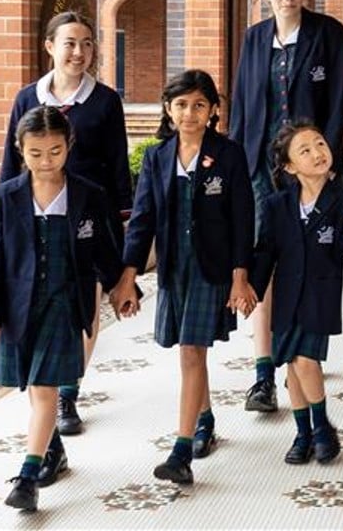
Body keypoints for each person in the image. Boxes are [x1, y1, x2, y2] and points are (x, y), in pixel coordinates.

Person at [0, 106, 132, 512]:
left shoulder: (88, 195)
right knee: (31, 388)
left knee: (45, 389)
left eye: (55, 151)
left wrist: (121, 288)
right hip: (18, 305)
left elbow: (104, 251)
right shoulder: (3, 198)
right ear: (20, 150)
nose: (46, 162)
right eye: (35, 153)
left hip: (66, 302)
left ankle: (28, 477)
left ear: (69, 147)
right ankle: (54, 448)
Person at [0, 10, 132, 439]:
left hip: (89, 217)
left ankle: (68, 391)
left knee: (84, 305)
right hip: (38, 214)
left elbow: (117, 163)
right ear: (50, 46)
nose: (79, 52)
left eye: (88, 43)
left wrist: (123, 220)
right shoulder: (27, 99)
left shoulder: (106, 100)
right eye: (71, 43)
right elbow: (11, 159)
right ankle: (49, 392)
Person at [120, 70, 258, 486]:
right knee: (188, 350)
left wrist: (240, 277)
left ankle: (181, 451)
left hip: (212, 269)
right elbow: (142, 221)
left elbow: (242, 221)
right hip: (173, 270)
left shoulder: (229, 155)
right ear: (168, 108)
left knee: (191, 352)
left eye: (200, 104)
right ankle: (205, 419)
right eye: (181, 104)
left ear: (214, 109)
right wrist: (128, 276)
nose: (190, 113)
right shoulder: (156, 157)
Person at [230, 0, 343, 414]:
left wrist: (331, 162)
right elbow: (243, 104)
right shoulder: (254, 38)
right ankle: (263, 373)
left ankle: (305, 352)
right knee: (268, 262)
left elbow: (337, 101)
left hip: (311, 168)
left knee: (309, 263)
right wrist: (239, 163)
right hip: (263, 165)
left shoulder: (327, 34)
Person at [251, 121, 343, 465]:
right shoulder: (277, 205)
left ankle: (321, 428)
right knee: (292, 362)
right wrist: (251, 290)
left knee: (306, 359)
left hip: (321, 295)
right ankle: (303, 432)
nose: (318, 153)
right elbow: (266, 252)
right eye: (305, 150)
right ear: (290, 166)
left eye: (320, 143)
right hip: (287, 296)